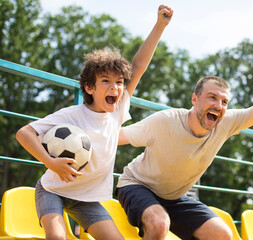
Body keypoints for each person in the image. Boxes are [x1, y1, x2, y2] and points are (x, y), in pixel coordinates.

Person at [115, 42, 253, 240]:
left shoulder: (226, 122)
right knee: (159, 223)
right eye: (212, 97)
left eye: (224, 101)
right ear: (195, 99)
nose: (219, 105)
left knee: (223, 235)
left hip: (173, 198)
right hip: (137, 185)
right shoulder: (165, 122)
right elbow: (115, 137)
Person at [16, 5, 173, 240]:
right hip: (52, 191)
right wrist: (51, 162)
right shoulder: (72, 114)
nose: (115, 87)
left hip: (85, 199)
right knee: (57, 237)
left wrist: (160, 25)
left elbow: (138, 66)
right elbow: (24, 133)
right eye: (106, 81)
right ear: (89, 87)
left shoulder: (117, 110)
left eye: (119, 82)